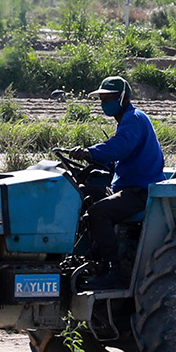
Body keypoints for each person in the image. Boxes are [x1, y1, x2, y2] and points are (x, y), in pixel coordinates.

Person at [68, 76, 165, 276]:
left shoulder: (133, 118)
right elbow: (117, 158)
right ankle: (87, 254)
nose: (104, 103)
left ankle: (110, 266)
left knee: (98, 212)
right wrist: (90, 164)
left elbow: (120, 147)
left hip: (140, 191)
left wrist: (90, 152)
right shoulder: (127, 120)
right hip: (127, 186)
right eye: (102, 99)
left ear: (123, 98)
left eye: (108, 98)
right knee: (80, 193)